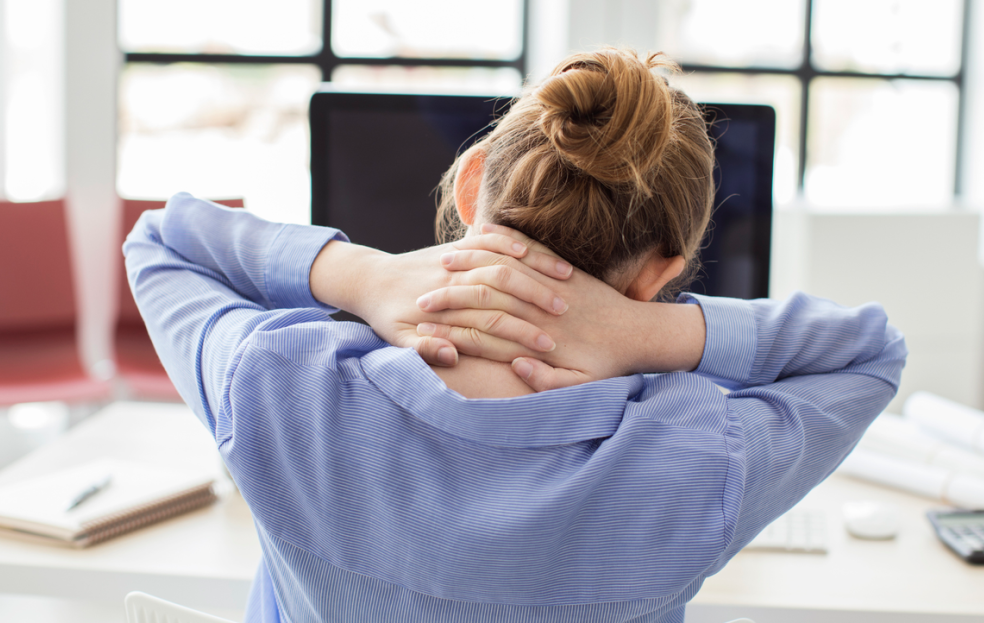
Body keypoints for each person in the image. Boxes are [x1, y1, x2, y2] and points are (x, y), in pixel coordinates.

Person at [124, 48, 906, 623]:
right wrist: (648, 333)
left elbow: (162, 241)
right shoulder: (700, 456)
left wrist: (361, 274)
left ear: (470, 188)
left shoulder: (280, 380)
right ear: (661, 270)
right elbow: (870, 351)